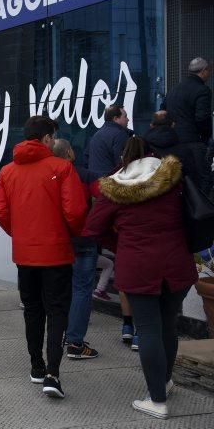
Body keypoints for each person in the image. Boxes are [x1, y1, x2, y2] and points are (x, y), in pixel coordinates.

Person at [83, 136, 198, 420]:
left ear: (122, 158)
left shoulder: (114, 190)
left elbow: (92, 228)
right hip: (176, 264)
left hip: (138, 266)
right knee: (168, 327)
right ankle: (166, 382)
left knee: (147, 330)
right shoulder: (173, 181)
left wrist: (120, 242)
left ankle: (157, 399)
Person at [0, 116, 87, 399]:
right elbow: (75, 212)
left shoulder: (8, 172)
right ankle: (52, 373)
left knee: (33, 310)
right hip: (56, 251)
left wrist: (19, 233)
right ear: (47, 138)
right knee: (57, 311)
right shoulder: (62, 168)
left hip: (25, 252)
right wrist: (69, 232)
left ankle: (36, 365)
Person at [51, 138, 100, 360]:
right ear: (69, 152)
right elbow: (104, 200)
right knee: (81, 289)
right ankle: (75, 341)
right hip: (83, 238)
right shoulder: (86, 175)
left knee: (61, 289)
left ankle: (59, 337)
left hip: (58, 239)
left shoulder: (47, 175)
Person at [163, 57, 212, 195]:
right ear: (204, 71)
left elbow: (163, 111)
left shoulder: (173, 89)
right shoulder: (202, 90)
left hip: (173, 143)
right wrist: (205, 138)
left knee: (179, 182)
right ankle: (200, 214)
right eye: (209, 71)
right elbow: (203, 118)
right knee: (202, 180)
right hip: (193, 143)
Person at [85, 104, 133, 179]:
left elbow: (86, 157)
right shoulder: (120, 134)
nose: (128, 119)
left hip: (94, 181)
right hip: (110, 182)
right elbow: (121, 163)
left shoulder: (97, 134)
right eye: (125, 116)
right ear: (115, 118)